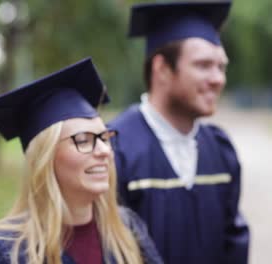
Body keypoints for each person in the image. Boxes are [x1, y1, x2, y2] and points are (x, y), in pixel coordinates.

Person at [0, 58, 162, 264]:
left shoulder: (127, 230)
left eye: (105, 138)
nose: (104, 151)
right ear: (45, 158)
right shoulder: (1, 252)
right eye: (83, 140)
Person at [106, 1, 250, 264]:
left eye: (221, 66)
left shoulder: (220, 149)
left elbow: (234, 246)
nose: (219, 79)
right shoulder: (114, 148)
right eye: (204, 65)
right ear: (162, 68)